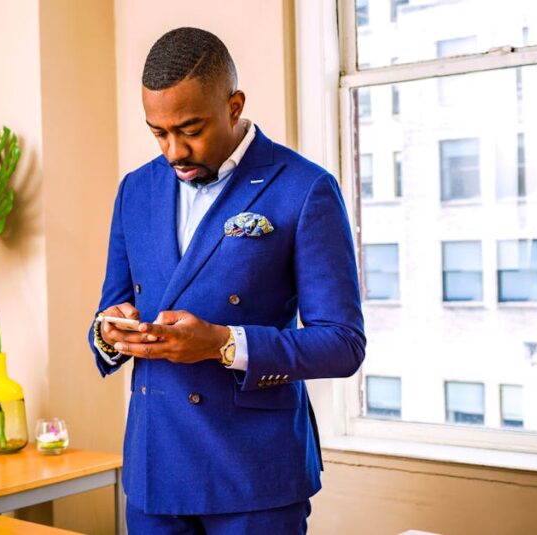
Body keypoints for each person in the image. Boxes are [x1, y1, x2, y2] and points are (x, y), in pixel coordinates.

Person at [88, 27, 366, 534]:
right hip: (154, 471)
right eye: (158, 132)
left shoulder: (305, 188)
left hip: (254, 475)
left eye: (190, 129)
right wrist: (111, 333)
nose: (174, 151)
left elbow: (343, 344)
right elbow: (114, 306)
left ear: (234, 106)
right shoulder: (136, 190)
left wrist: (221, 344)